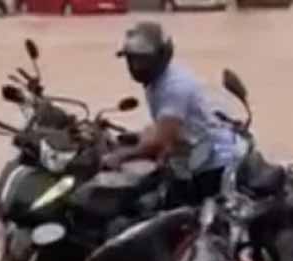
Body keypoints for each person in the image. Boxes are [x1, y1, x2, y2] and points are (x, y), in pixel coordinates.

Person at [102, 21, 240, 208]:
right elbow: (165, 126)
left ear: (160, 57)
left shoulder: (174, 87)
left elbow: (161, 140)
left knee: (178, 218)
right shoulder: (157, 82)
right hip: (189, 155)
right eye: (132, 60)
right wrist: (136, 136)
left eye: (142, 60)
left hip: (212, 163)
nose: (136, 66)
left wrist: (120, 156)